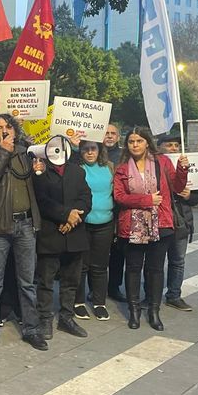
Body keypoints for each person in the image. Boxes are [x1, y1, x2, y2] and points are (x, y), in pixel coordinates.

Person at [0, 114, 45, 353]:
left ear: (15, 131)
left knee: (27, 282)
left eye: (8, 127)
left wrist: (40, 170)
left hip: (25, 224)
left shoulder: (26, 152)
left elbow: (36, 185)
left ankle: (31, 329)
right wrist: (4, 152)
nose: (4, 131)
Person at [113, 127, 188, 332]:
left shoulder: (162, 162)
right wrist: (146, 200)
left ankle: (154, 311)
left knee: (155, 270)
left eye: (139, 141)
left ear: (147, 143)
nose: (135, 145)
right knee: (134, 268)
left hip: (161, 223)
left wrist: (182, 169)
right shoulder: (122, 168)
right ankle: (134, 311)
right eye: (131, 142)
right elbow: (119, 197)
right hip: (132, 226)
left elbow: (178, 187)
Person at [33, 136, 92, 342]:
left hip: (74, 233)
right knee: (46, 281)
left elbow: (86, 198)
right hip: (51, 234)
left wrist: (74, 218)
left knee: (71, 280)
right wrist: (65, 214)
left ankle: (66, 317)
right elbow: (42, 200)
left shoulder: (78, 171)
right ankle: (45, 319)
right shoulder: (40, 172)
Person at [157, 135, 198, 312]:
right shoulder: (153, 165)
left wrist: (189, 195)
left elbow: (197, 197)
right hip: (160, 220)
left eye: (176, 145)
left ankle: (174, 295)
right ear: (159, 147)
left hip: (181, 221)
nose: (174, 148)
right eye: (169, 145)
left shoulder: (188, 165)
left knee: (178, 260)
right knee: (156, 262)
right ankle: (151, 294)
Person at [74, 140, 116, 321]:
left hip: (105, 223)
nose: (90, 153)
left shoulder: (109, 167)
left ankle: (99, 302)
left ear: (100, 150)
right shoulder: (76, 167)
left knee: (100, 266)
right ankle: (78, 302)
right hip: (83, 223)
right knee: (81, 265)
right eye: (85, 149)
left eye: (93, 149)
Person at [103, 123, 127, 303]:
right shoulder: (93, 153)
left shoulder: (124, 157)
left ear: (118, 137)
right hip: (100, 211)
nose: (109, 136)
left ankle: (114, 287)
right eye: (106, 133)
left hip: (120, 211)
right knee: (99, 253)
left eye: (113, 133)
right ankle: (97, 288)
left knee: (118, 252)